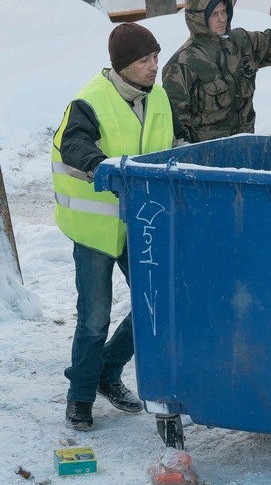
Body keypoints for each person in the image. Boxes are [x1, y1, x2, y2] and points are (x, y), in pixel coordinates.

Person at [52, 23, 177, 431]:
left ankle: (107, 370)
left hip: (139, 225)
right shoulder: (89, 101)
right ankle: (81, 396)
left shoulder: (156, 97)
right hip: (95, 229)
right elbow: (74, 147)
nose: (153, 66)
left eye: (155, 57)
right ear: (123, 65)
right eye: (145, 60)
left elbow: (164, 146)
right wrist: (106, 168)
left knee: (153, 305)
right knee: (94, 319)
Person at [161, 0, 271, 143]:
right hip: (209, 158)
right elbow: (178, 129)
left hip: (246, 148)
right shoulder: (181, 65)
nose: (222, 19)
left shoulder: (241, 42)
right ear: (199, 19)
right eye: (214, 14)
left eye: (224, 12)